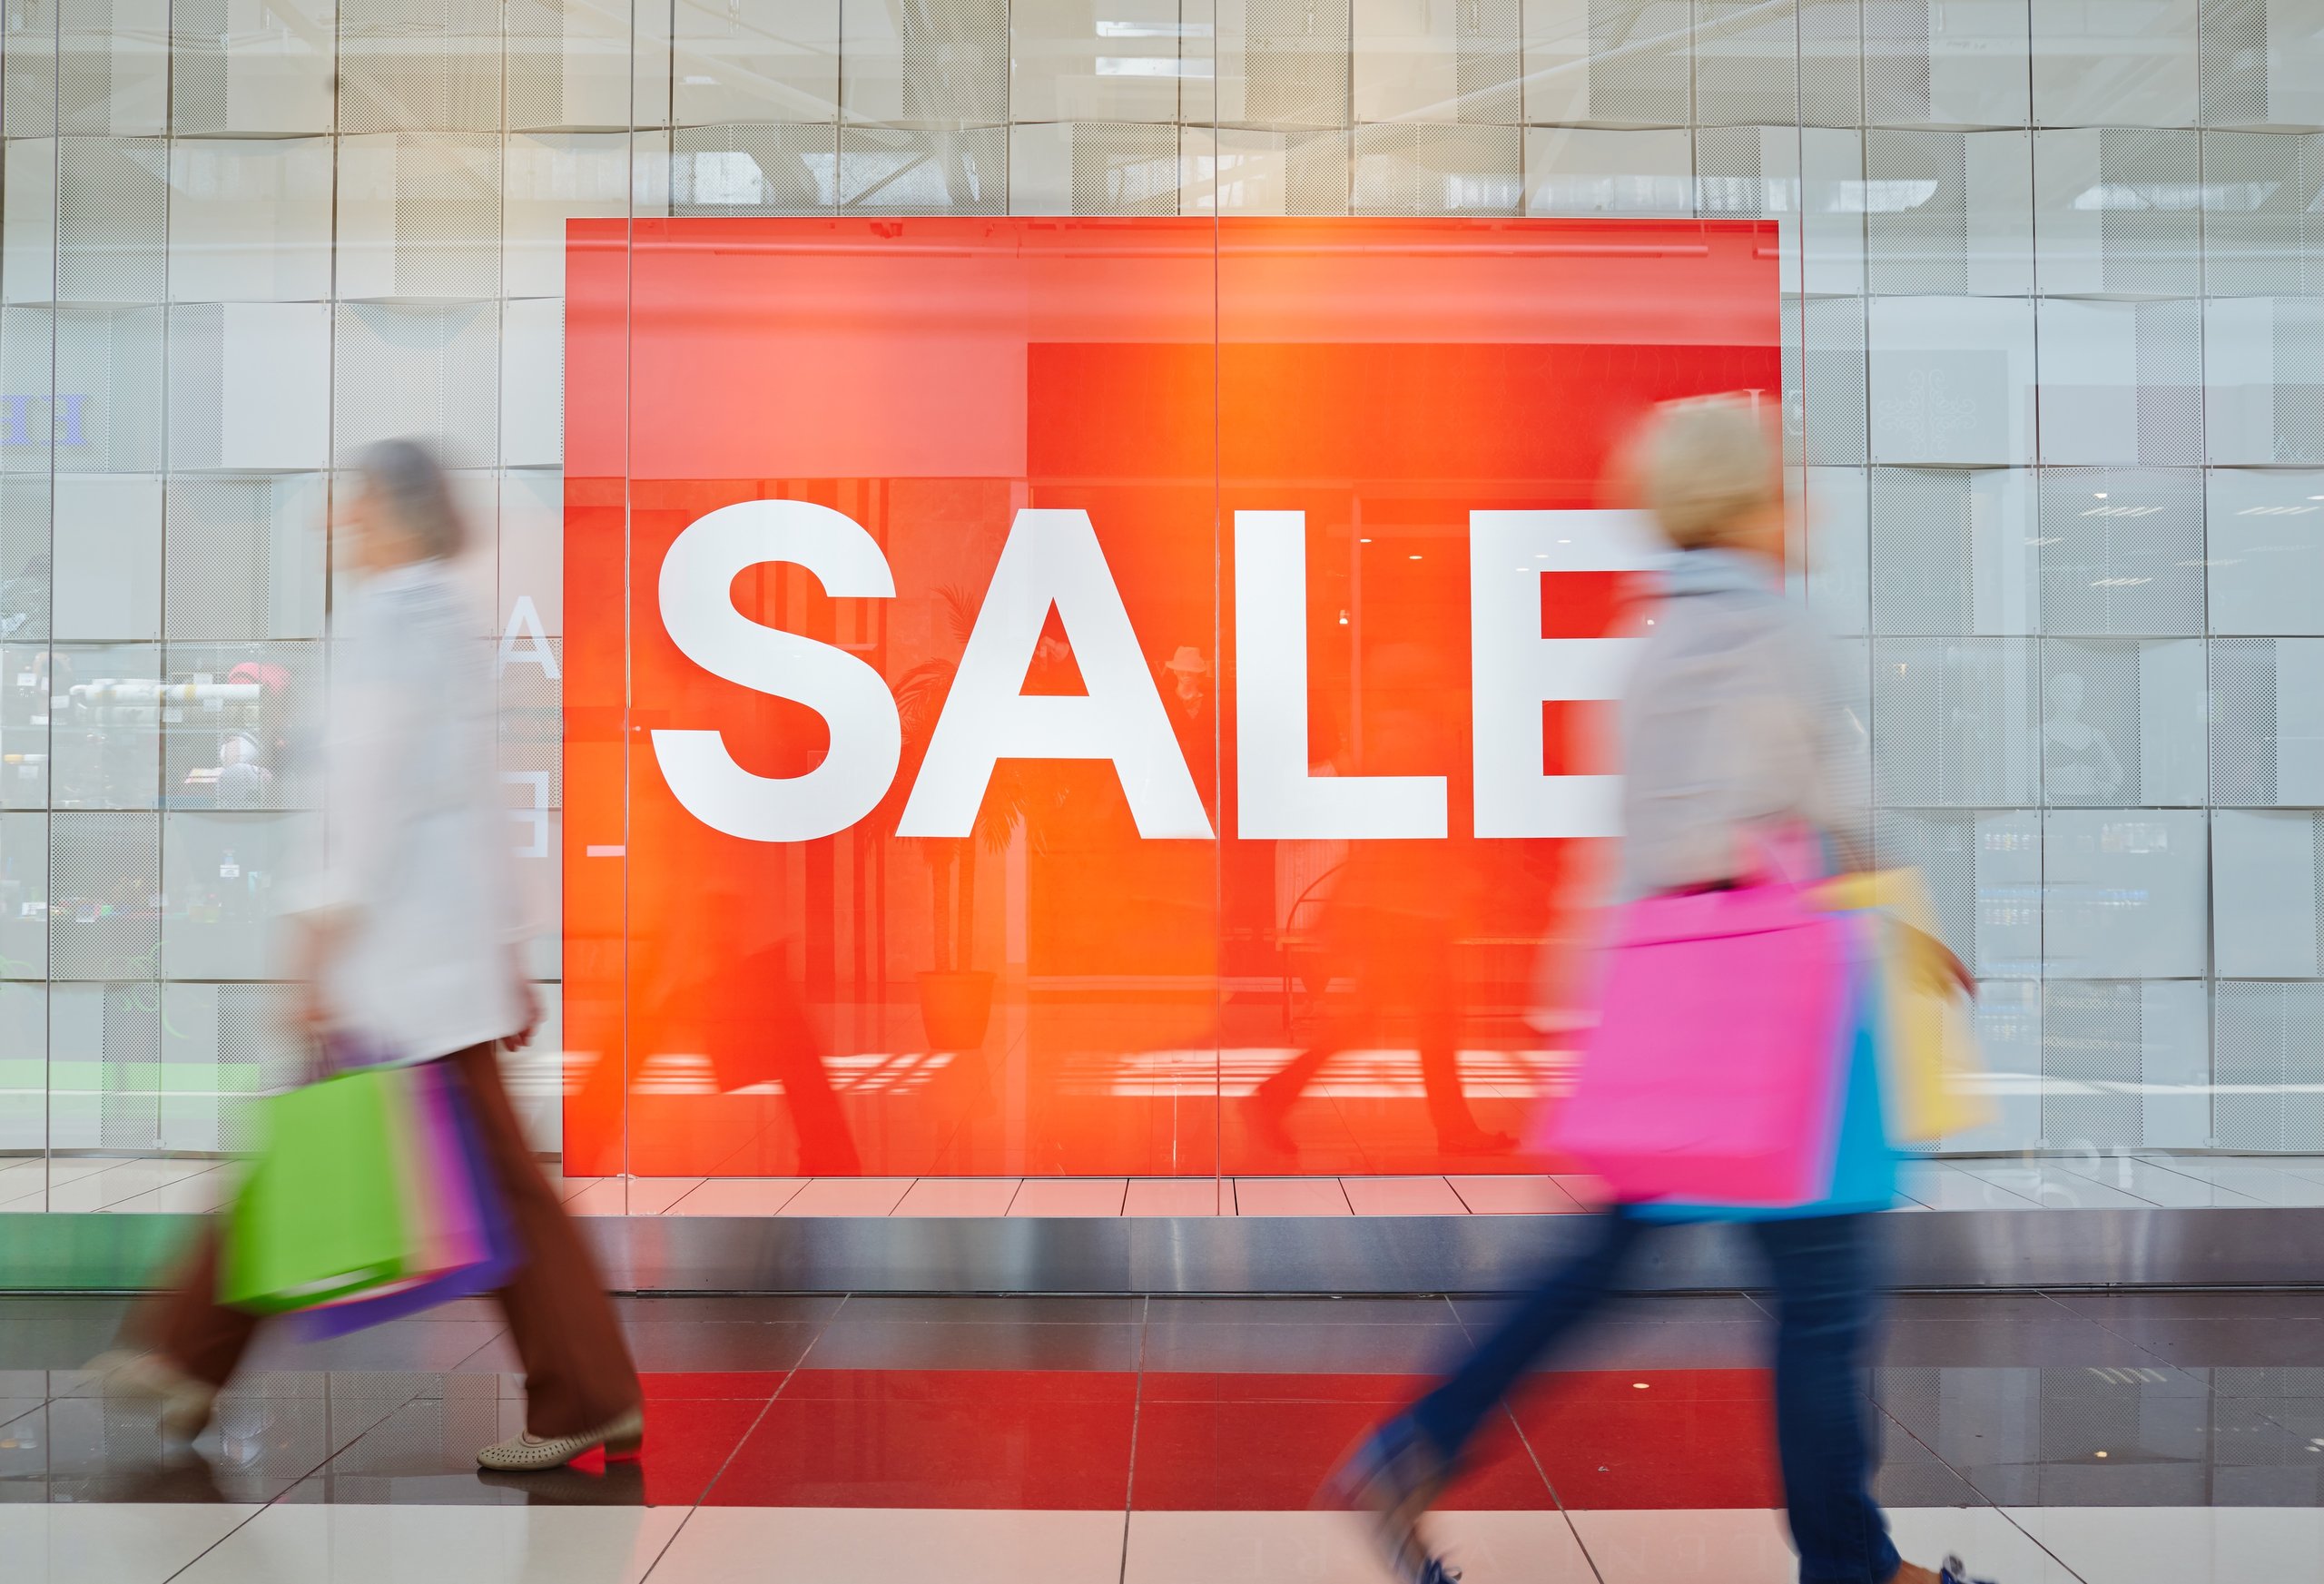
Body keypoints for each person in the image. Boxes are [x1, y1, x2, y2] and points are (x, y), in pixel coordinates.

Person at [1329, 398, 1986, 1584]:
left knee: (1608, 1258)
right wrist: (1906, 917)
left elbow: (1637, 844)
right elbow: (1825, 800)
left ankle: (1417, 1446)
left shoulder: (1646, 644)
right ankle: (1852, 1566)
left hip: (1668, 988)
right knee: (1824, 1289)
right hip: (1782, 1000)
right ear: (1752, 500)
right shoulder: (1780, 628)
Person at [94, 439, 645, 1474]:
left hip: (389, 965)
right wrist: (506, 952)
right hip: (439, 963)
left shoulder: (387, 622)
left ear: (392, 517)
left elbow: (365, 799)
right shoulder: (444, 620)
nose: (330, 524)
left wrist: (313, 940)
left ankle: (186, 1354)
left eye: (347, 509)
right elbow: (477, 804)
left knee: (335, 1162)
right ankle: (186, 1355)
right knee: (463, 1180)